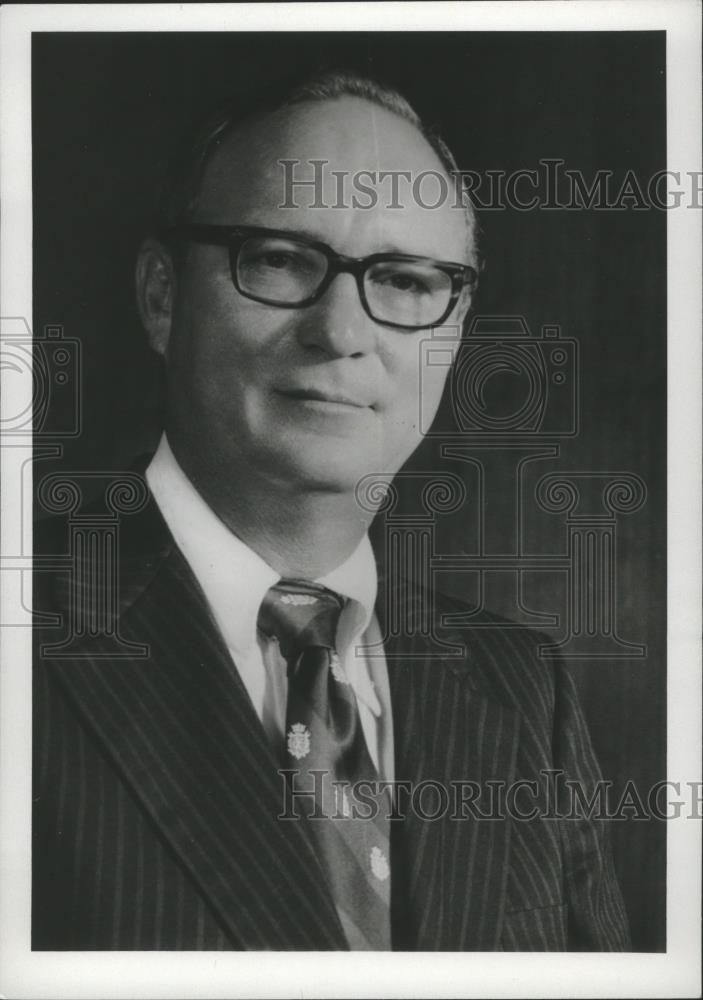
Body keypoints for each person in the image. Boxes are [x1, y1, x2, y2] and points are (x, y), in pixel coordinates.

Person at [32, 70, 630, 951]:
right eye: (278, 259)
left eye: (405, 280)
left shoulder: (522, 687)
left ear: (454, 331)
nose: (342, 331)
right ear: (163, 296)